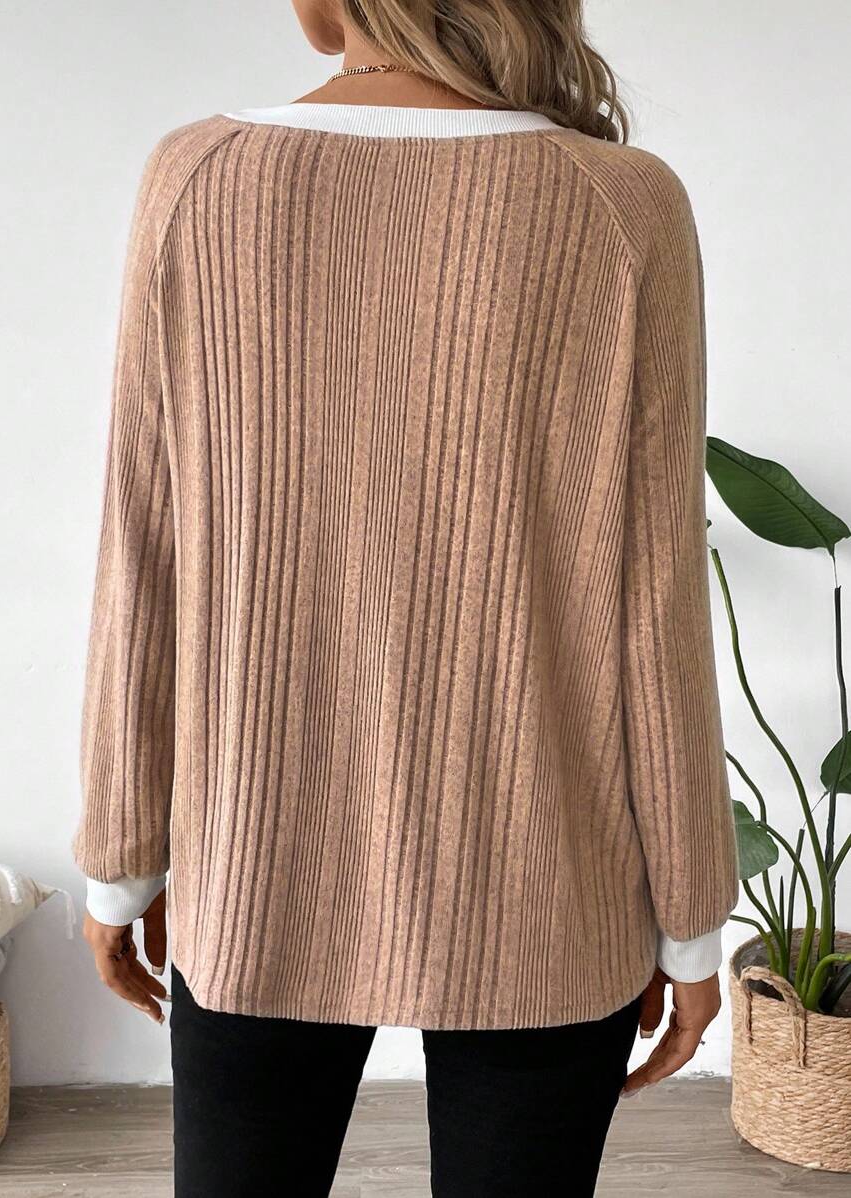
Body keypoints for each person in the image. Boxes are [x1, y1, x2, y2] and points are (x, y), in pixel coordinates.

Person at [73, 2, 739, 1194]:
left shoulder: (199, 178)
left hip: (256, 858)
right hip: (547, 873)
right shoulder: (621, 202)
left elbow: (144, 542)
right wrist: (691, 922)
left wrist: (122, 857)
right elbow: (656, 604)